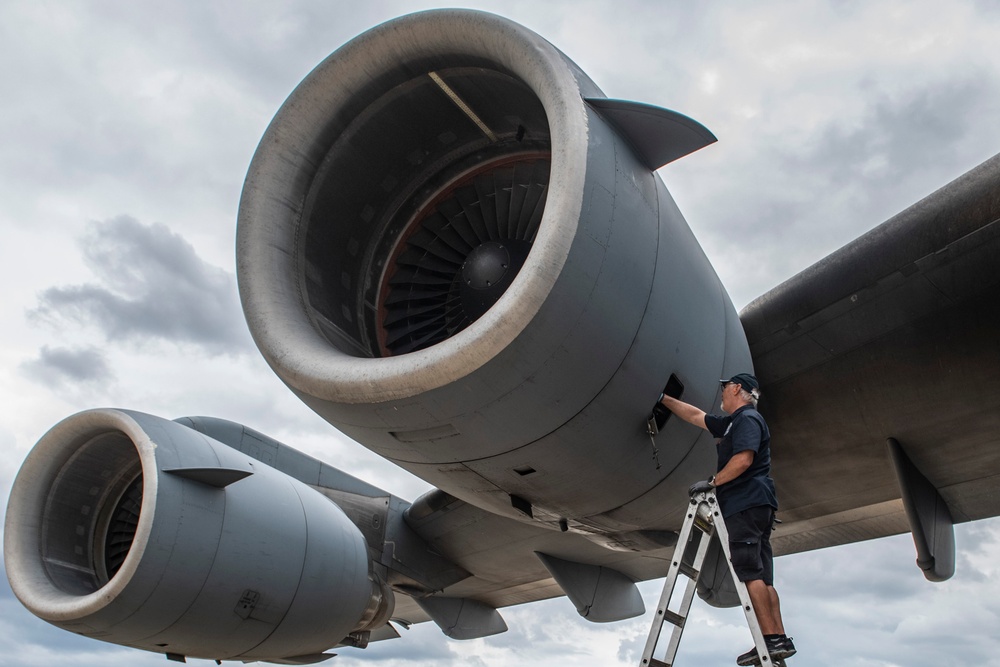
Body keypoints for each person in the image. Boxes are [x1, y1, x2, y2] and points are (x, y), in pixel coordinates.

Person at [658, 373, 796, 665]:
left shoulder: (746, 420)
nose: (720, 393)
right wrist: (663, 399)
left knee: (748, 572)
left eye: (724, 388)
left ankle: (769, 640)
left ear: (737, 389)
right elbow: (697, 416)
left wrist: (713, 482)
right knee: (763, 577)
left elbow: (744, 459)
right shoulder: (734, 422)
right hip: (758, 504)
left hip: (745, 502)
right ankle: (779, 638)